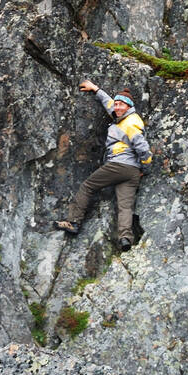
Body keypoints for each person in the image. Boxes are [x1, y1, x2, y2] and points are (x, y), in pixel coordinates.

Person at [53, 81, 152, 251]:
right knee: (125, 205)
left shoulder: (131, 123)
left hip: (119, 165)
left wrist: (146, 168)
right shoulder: (122, 117)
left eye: (122, 105)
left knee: (88, 186)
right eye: (117, 104)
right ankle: (125, 238)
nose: (117, 107)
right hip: (131, 171)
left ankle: (73, 222)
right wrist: (96, 90)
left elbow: (143, 148)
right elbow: (110, 105)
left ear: (129, 107)